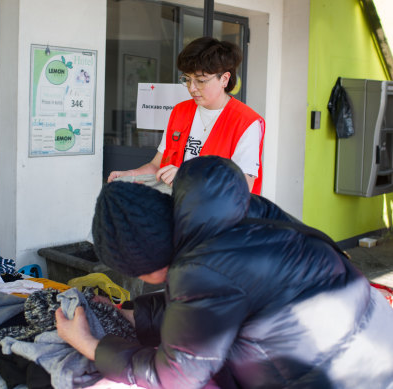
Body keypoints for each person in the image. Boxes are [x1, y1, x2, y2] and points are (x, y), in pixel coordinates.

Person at [56, 156, 393, 388]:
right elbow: (220, 303)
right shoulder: (233, 213)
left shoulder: (201, 269)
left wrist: (89, 343)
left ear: (148, 267)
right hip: (374, 351)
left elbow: (176, 378)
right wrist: (134, 315)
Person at [108, 37, 265, 195]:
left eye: (201, 81)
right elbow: (156, 165)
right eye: (187, 79)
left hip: (218, 216)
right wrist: (131, 175)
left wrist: (187, 176)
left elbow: (243, 186)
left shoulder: (245, 122)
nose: (192, 88)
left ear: (224, 79)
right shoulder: (180, 111)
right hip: (177, 208)